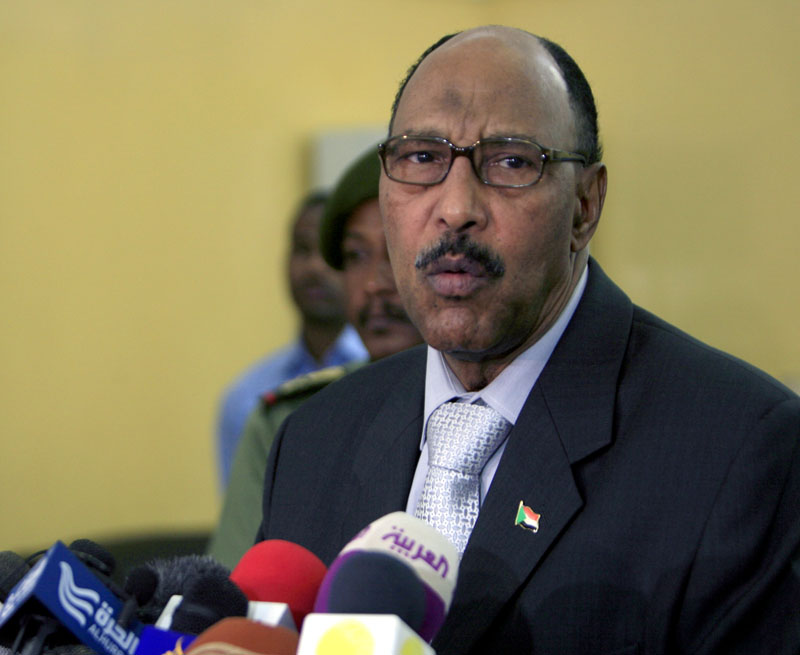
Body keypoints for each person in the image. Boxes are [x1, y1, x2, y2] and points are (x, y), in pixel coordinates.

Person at [257, 26, 800, 653]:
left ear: (585, 206)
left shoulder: (739, 452)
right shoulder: (313, 442)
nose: (455, 208)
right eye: (422, 158)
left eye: (511, 161)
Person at [208, 147, 422, 568]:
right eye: (355, 256)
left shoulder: (497, 407)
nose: (375, 284)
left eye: (397, 249)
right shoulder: (288, 422)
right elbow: (238, 587)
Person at [215, 192, 367, 488]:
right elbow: (242, 511)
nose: (314, 267)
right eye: (302, 249)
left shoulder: (386, 374)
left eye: (329, 252)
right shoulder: (248, 399)